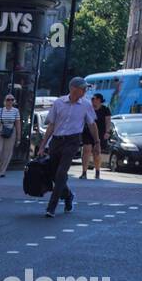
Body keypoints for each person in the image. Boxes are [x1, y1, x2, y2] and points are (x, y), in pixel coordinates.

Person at [40, 76, 101, 218]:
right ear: (74, 89)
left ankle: (51, 207)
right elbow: (51, 125)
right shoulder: (59, 103)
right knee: (55, 174)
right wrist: (43, 145)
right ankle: (68, 196)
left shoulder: (86, 105)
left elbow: (92, 124)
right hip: (56, 140)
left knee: (61, 173)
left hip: (72, 141)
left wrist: (97, 142)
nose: (85, 91)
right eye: (83, 88)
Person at [81, 93, 111, 179]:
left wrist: (107, 132)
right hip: (88, 131)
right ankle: (84, 172)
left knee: (96, 152)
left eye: (95, 99)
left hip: (100, 133)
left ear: (99, 100)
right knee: (86, 151)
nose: (93, 101)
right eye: (92, 99)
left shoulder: (105, 109)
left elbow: (108, 122)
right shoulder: (88, 108)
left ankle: (97, 171)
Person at [0, 94, 20, 177]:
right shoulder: (0, 110)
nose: (10, 101)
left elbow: (18, 124)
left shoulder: (16, 111)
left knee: (7, 153)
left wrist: (18, 137)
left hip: (11, 131)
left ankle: (1, 172)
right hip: (0, 130)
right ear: (5, 101)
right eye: (8, 99)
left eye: (12, 99)